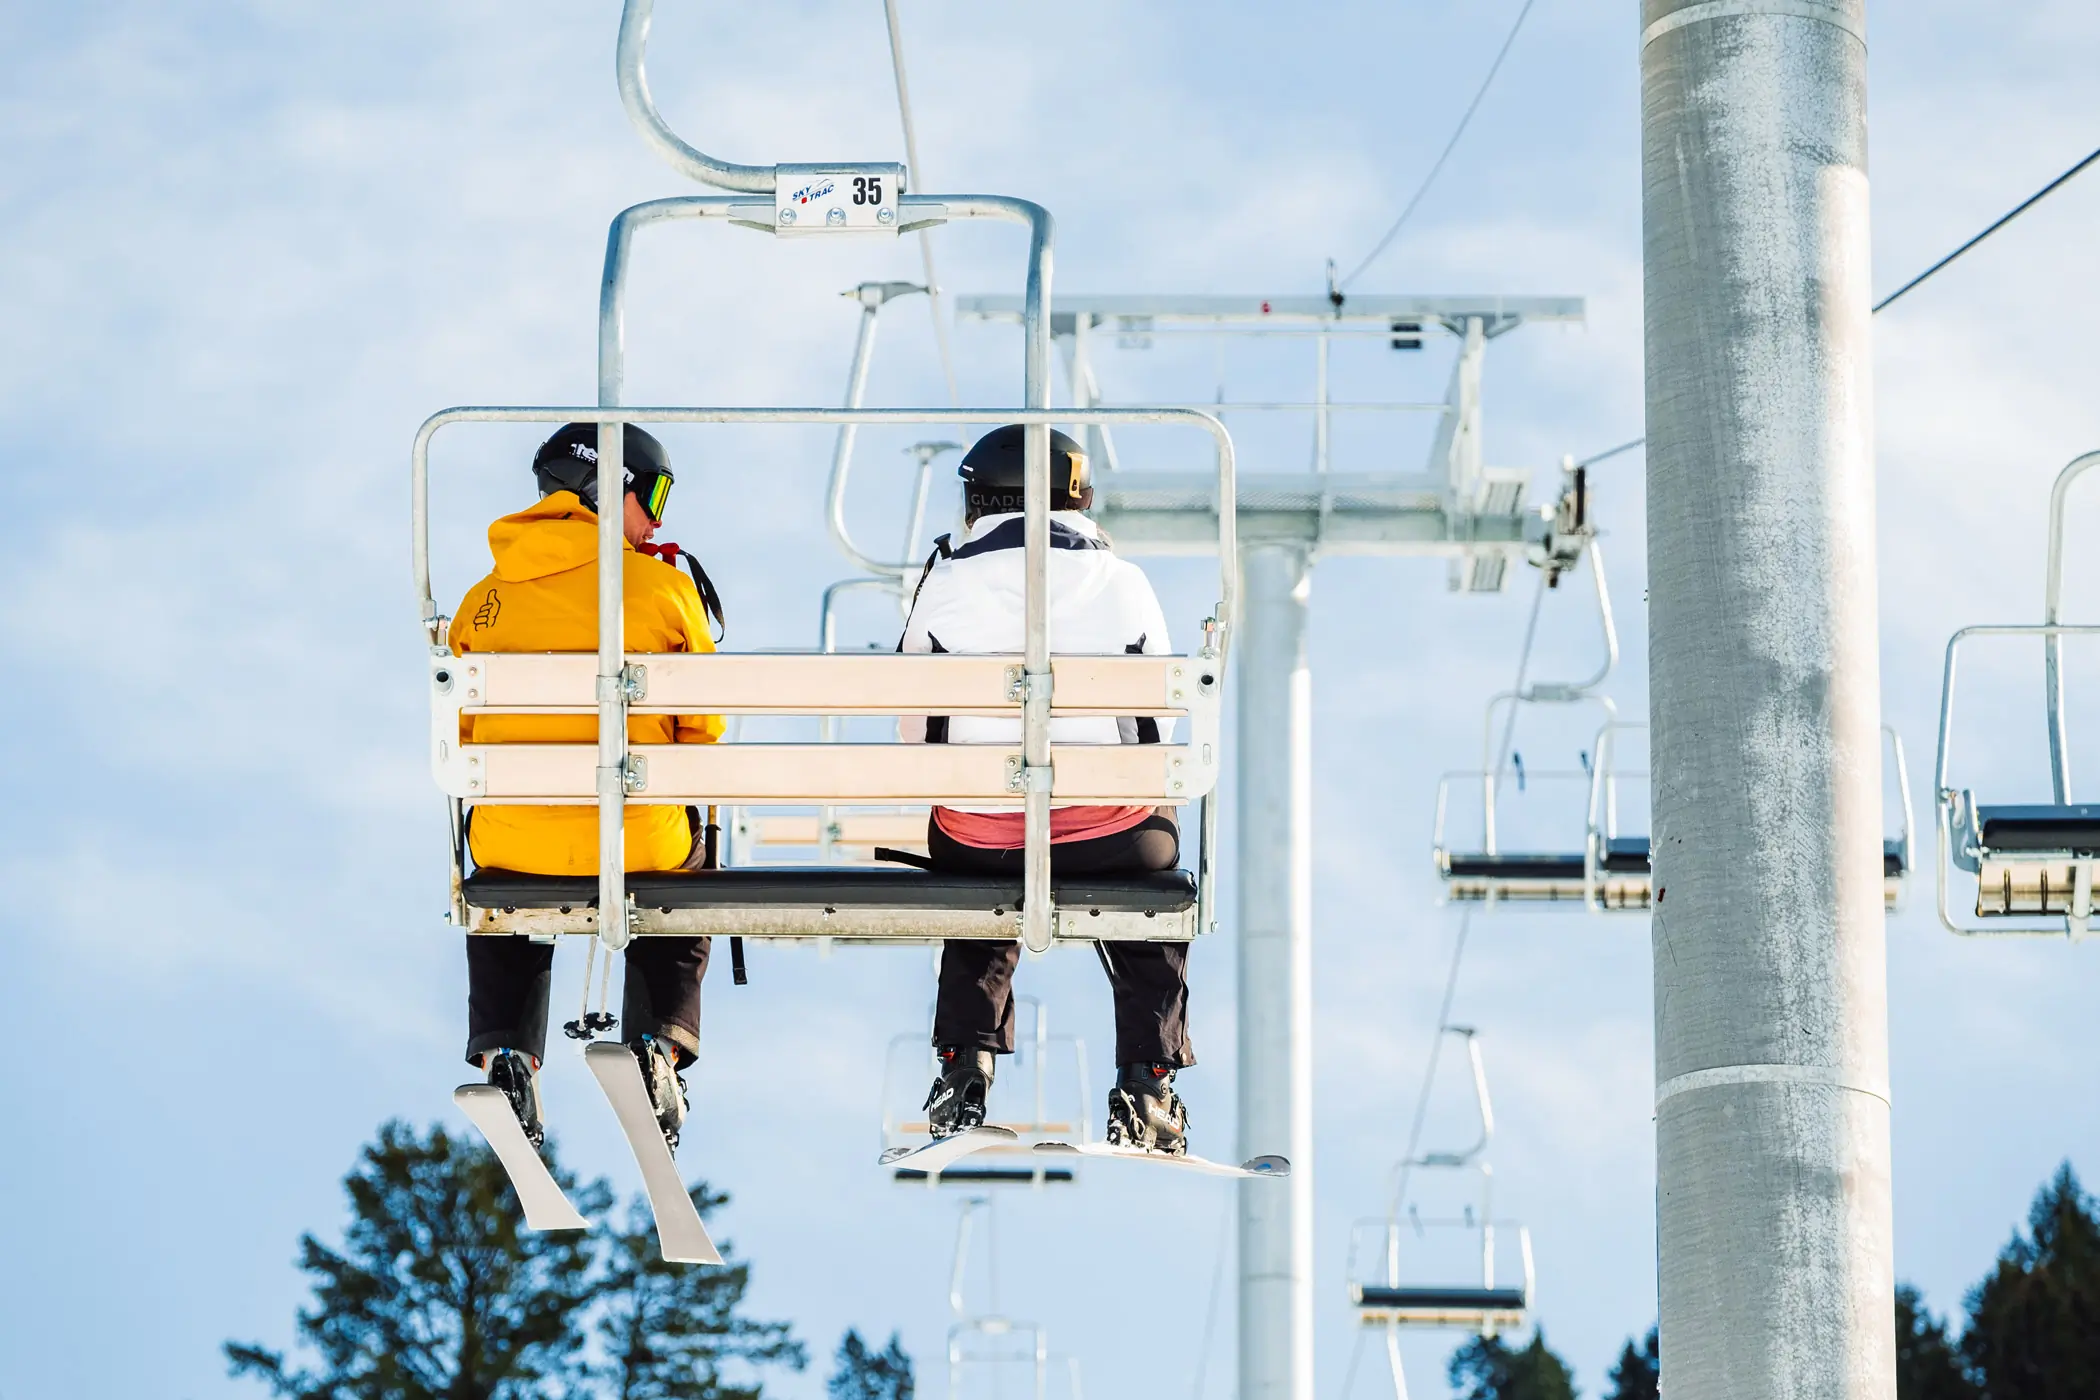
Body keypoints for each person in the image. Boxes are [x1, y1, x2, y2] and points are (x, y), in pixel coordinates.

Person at [899, 425, 1194, 1153]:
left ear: (980, 499)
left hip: (982, 836)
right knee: (1150, 888)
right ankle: (1147, 1079)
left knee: (978, 888)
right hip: (1111, 836)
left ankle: (964, 1063)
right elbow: (1155, 725)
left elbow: (913, 727)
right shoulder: (1124, 581)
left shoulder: (944, 581)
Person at [448, 422, 723, 1152]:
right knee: (691, 864)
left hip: (514, 843)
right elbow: (704, 729)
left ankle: (506, 1052)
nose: (656, 521)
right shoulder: (664, 589)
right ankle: (658, 1044)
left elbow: (463, 734)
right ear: (609, 488)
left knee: (500, 887)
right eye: (652, 497)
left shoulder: (481, 603)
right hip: (641, 840)